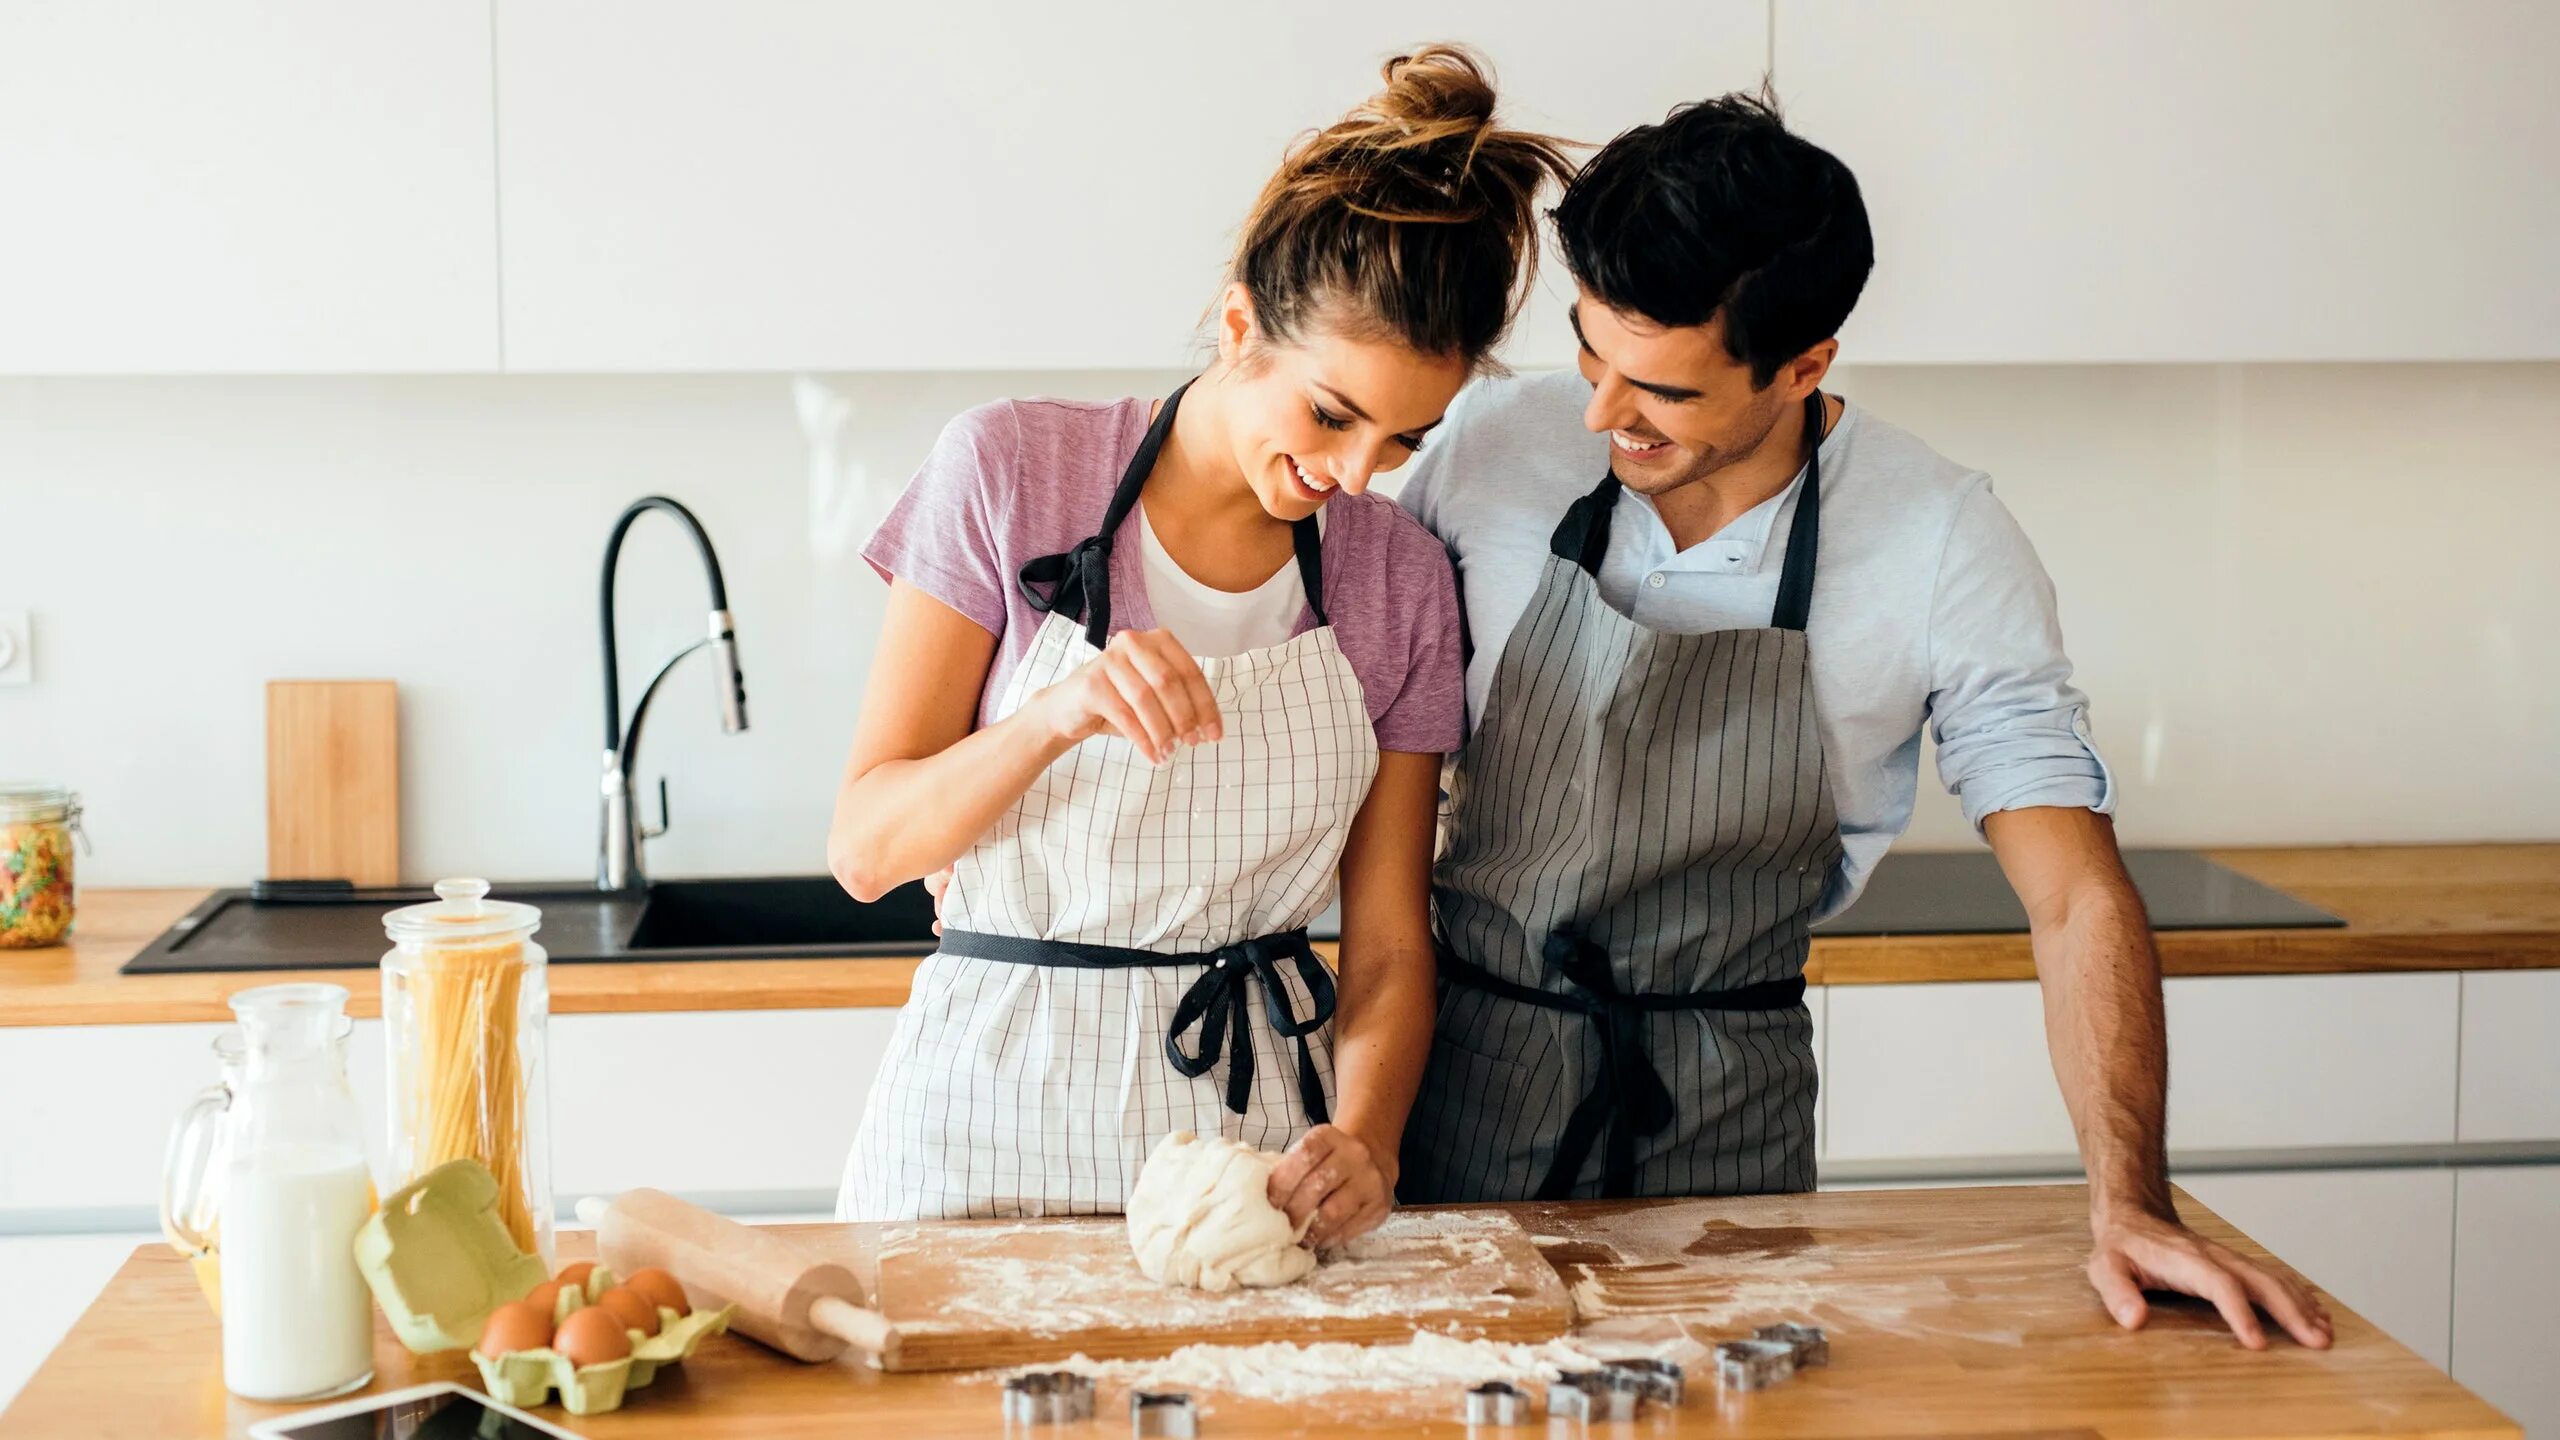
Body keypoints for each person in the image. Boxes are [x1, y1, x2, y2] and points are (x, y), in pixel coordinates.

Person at [1394, 92, 2334, 1350]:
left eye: (1661, 389)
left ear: (1804, 365)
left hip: (1724, 1120)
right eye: (1588, 352)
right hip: (1452, 1079)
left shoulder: (1940, 537)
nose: (1599, 414)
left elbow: (2073, 896)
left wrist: (2131, 1200)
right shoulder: (1477, 447)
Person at [828, 47, 1571, 1248]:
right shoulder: (1013, 471)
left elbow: (1385, 942)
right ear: (1239, 326)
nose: (1348, 473)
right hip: (975, 1128)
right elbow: (867, 847)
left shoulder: (1398, 578)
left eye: (1399, 441)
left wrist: (1369, 1138)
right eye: (1331, 414)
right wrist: (1051, 718)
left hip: (1246, 1154)